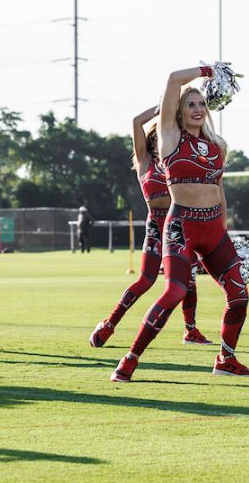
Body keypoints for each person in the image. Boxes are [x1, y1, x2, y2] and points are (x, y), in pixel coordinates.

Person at [111, 66, 249, 382]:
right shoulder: (170, 138)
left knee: (239, 294)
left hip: (214, 231)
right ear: (176, 112)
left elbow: (219, 191)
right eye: (190, 104)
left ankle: (226, 359)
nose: (197, 109)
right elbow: (173, 79)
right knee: (174, 291)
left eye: (201, 104)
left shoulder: (218, 146)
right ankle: (130, 358)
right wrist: (207, 70)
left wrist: (225, 229)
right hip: (182, 227)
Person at [90, 106, 210, 347]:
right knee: (145, 279)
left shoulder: (175, 158)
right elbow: (136, 121)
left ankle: (190, 330)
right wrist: (162, 107)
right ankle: (109, 325)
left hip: (180, 224)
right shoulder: (145, 162)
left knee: (189, 280)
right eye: (156, 138)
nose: (160, 142)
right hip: (156, 224)